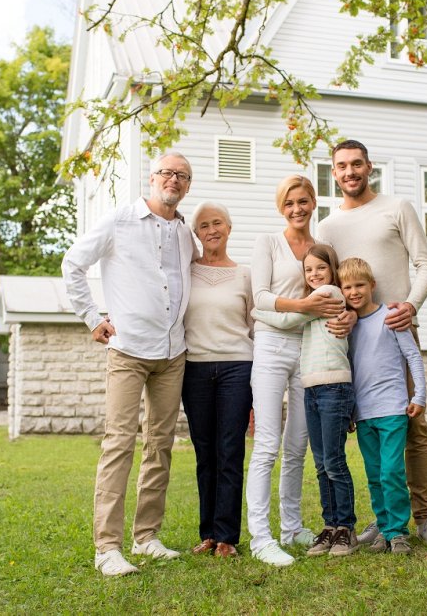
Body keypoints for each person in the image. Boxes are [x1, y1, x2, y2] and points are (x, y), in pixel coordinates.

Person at [61, 152, 198, 577]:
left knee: (160, 446)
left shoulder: (186, 234)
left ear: (187, 186)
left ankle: (147, 537)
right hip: (127, 350)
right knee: (118, 443)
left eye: (182, 176)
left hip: (173, 354)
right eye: (166, 173)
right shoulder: (119, 220)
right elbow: (73, 263)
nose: (172, 180)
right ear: (152, 177)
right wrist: (92, 316)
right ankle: (107, 548)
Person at [316, 139, 427, 546]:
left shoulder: (397, 208)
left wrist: (410, 305)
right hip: (352, 341)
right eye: (341, 166)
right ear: (333, 172)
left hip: (396, 331)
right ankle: (382, 518)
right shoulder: (327, 226)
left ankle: (425, 518)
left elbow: (426, 264)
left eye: (356, 164)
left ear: (369, 167)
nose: (349, 172)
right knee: (369, 428)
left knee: (412, 424)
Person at [246, 175, 346, 567]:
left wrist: (342, 316)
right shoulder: (267, 243)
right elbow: (261, 298)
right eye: (289, 203)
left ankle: (291, 528)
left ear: (313, 202)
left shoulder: (323, 249)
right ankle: (261, 537)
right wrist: (304, 307)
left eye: (303, 201)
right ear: (280, 207)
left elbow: (336, 297)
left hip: (309, 350)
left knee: (297, 446)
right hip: (271, 347)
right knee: (268, 444)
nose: (297, 209)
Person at [253, 244, 358, 557]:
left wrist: (257, 310)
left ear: (332, 271)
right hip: (312, 386)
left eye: (320, 268)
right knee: (322, 461)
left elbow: (287, 321)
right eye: (308, 270)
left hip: (334, 386)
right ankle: (330, 526)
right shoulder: (314, 299)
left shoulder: (329, 294)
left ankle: (346, 529)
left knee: (334, 462)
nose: (314, 274)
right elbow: (295, 319)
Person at [182, 201, 254, 558]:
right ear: (196, 234)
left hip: (237, 368)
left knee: (230, 450)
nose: (211, 230)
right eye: (204, 226)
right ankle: (208, 533)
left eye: (218, 223)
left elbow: (254, 326)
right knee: (204, 452)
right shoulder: (186, 272)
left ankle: (227, 536)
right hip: (194, 368)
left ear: (229, 228)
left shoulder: (245, 275)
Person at [340, 257, 426, 554]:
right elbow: (350, 368)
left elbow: (413, 357)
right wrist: (350, 411)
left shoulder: (391, 317)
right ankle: (384, 526)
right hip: (364, 414)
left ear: (372, 285)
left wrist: (420, 397)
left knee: (391, 471)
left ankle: (398, 531)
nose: (354, 292)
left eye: (359, 285)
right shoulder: (348, 328)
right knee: (375, 474)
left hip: (392, 409)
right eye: (347, 287)